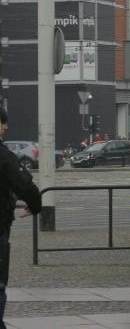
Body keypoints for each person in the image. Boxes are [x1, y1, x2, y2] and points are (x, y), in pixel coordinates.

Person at [0, 107, 42, 329]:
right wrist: (35, 205)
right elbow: (24, 184)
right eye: (3, 122)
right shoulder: (4, 156)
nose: (6, 127)